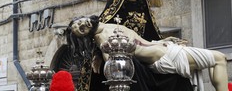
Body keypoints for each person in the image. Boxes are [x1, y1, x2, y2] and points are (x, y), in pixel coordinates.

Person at [70, 0, 193, 91]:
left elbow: (151, 35)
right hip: (125, 56)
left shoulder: (144, 8)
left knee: (176, 75)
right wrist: (97, 55)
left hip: (144, 52)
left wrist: (164, 41)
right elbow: (99, 34)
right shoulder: (114, 10)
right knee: (130, 68)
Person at [70, 15, 228, 91]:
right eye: (81, 30)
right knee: (219, 59)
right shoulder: (102, 37)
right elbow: (113, 61)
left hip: (166, 49)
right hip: (166, 59)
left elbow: (141, 41)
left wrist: (164, 41)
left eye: (79, 22)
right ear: (85, 35)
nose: (82, 25)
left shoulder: (109, 24)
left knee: (216, 60)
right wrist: (101, 55)